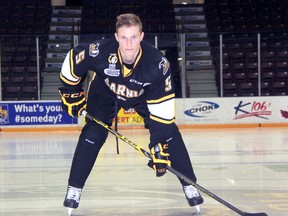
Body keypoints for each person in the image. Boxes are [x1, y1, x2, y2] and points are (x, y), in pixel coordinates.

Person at [59, 13, 204, 212]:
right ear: (116, 37)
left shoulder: (157, 65)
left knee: (170, 135)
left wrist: (158, 144)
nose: (129, 44)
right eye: (124, 37)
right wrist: (71, 92)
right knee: (93, 133)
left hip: (144, 97)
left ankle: (189, 184)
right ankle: (74, 188)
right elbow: (73, 60)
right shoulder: (99, 51)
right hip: (105, 93)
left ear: (142, 36)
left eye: (134, 37)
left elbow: (163, 116)